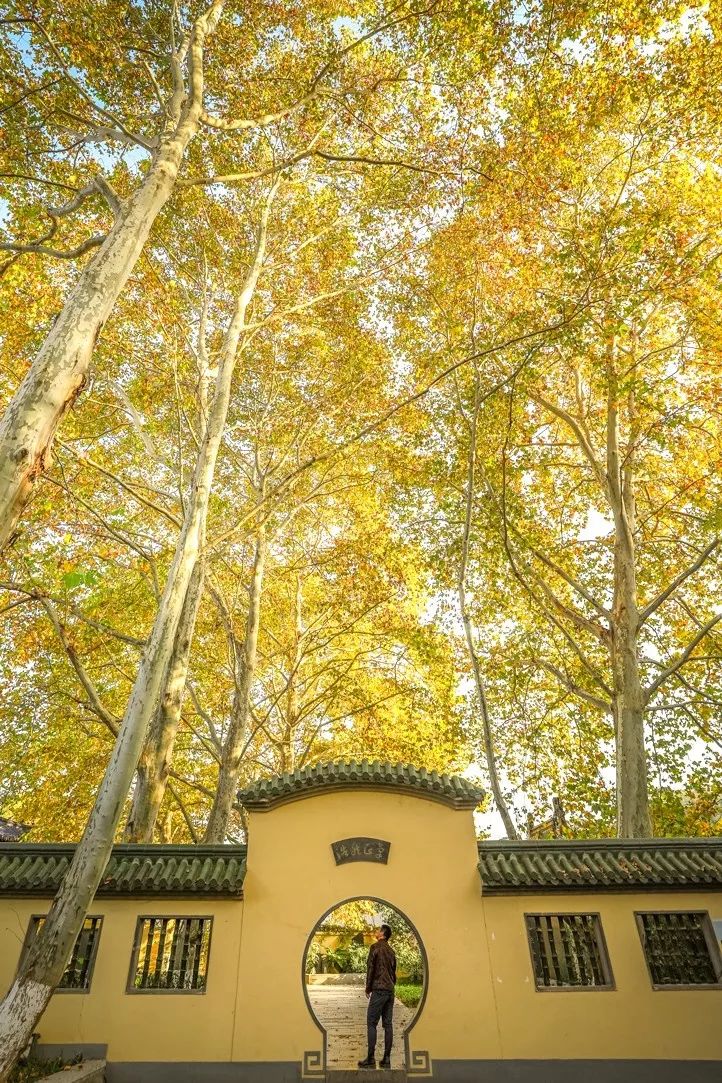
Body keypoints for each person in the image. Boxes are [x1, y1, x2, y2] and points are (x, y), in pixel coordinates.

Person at [358, 923, 396, 1070]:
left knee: (371, 1023)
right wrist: (391, 986)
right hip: (390, 990)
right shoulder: (391, 951)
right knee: (388, 1025)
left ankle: (371, 1058)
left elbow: (371, 969)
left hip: (379, 989)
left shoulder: (375, 948)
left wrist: (368, 988)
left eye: (378, 930)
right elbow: (393, 973)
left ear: (383, 934)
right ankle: (386, 1059)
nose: (376, 932)